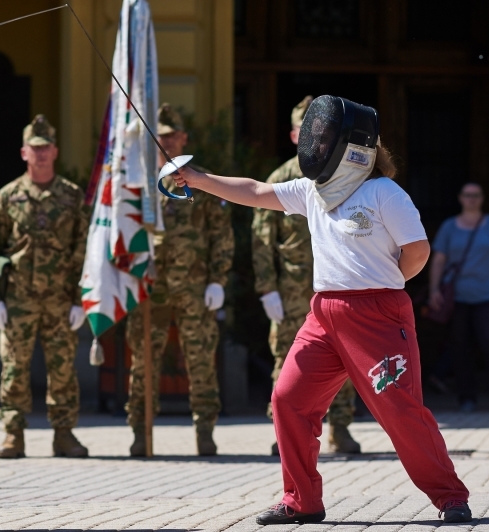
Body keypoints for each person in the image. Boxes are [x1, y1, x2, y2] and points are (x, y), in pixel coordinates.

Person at [170, 95, 471, 525]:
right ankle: (301, 501)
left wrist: (381, 283)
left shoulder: (385, 192)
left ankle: (450, 496)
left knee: (400, 411)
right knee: (289, 399)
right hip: (324, 316)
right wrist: (198, 179)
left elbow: (418, 252)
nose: (313, 143)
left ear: (352, 145)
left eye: (324, 136)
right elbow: (256, 191)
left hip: (378, 314)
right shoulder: (313, 191)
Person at [252, 96, 361, 455]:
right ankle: (281, 430)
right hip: (293, 288)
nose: (314, 137)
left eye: (321, 131)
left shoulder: (342, 177)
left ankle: (340, 428)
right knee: (287, 358)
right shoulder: (281, 179)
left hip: (334, 284)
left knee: (343, 356)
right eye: (306, 131)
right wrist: (267, 289)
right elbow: (262, 241)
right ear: (294, 134)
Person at [124, 104, 233, 457]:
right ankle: (141, 432)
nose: (167, 141)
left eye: (172, 135)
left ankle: (205, 430)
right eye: (162, 136)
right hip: (150, 287)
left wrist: (218, 280)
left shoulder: (202, 181)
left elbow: (221, 236)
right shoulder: (137, 184)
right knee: (144, 362)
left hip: (194, 287)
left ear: (184, 138)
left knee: (200, 359)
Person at [0, 114, 89, 459]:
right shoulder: (8, 196)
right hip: (19, 299)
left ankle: (64, 433)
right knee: (14, 367)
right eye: (34, 149)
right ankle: (13, 434)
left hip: (60, 299)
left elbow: (83, 249)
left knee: (63, 368)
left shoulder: (72, 197)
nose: (40, 154)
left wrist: (80, 300)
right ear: (24, 152)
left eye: (46, 148)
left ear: (55, 152)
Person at [429, 182, 489, 412]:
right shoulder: (449, 227)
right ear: (460, 198)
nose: (472, 199)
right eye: (467, 195)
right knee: (459, 347)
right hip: (458, 298)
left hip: (488, 296)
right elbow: (438, 260)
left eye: (476, 195)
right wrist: (434, 290)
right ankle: (466, 398)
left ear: (482, 198)